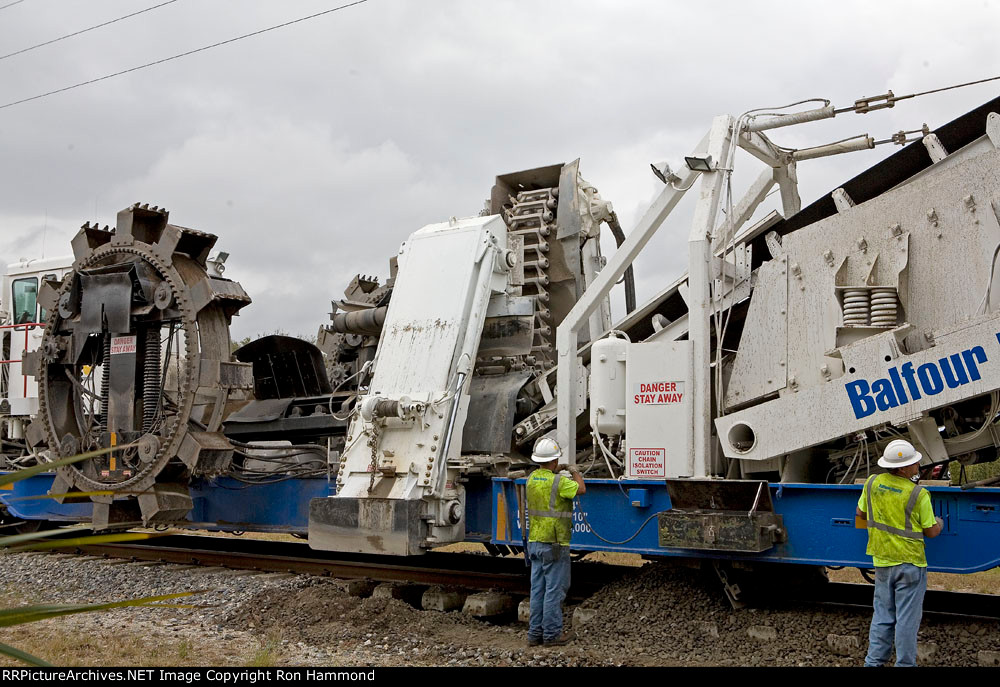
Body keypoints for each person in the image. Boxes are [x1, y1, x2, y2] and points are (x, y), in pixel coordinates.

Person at [856, 438, 943, 667]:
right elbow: (931, 532)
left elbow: (860, 514)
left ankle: (873, 663)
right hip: (911, 564)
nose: (918, 466)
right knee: (906, 620)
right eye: (914, 463)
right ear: (903, 468)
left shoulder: (872, 483)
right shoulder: (918, 494)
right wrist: (940, 523)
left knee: (883, 616)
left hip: (882, 562)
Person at [525, 436, 586, 647]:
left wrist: (555, 469)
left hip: (535, 541)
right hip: (555, 543)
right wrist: (574, 470)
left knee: (537, 590)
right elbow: (581, 489)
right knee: (555, 590)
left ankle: (534, 635)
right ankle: (551, 635)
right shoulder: (559, 482)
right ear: (554, 461)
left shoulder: (531, 478)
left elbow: (546, 480)